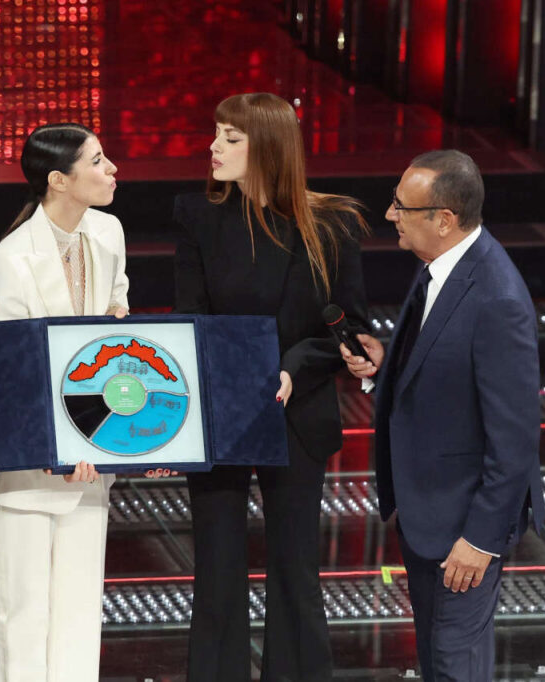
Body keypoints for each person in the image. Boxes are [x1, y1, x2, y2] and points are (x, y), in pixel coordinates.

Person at [173, 92, 369, 682]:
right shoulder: (197, 215)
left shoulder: (331, 224)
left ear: (269, 147)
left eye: (231, 138)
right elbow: (191, 321)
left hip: (297, 413)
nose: (214, 147)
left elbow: (348, 327)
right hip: (221, 411)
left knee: (295, 567)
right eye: (216, 133)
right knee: (216, 569)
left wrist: (293, 367)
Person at [341, 149, 545, 681]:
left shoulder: (497, 298)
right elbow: (443, 368)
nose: (391, 216)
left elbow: (515, 439)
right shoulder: (442, 265)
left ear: (444, 219)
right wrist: (387, 364)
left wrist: (479, 541)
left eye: (401, 207)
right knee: (438, 661)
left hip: (464, 527)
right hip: (427, 514)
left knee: (455, 665)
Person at [0, 123, 131, 682]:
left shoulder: (109, 232)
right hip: (32, 464)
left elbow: (117, 329)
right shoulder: (9, 258)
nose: (112, 169)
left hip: (93, 458)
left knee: (78, 615)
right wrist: (58, 448)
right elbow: (18, 372)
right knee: (22, 617)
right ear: (58, 180)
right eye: (97, 160)